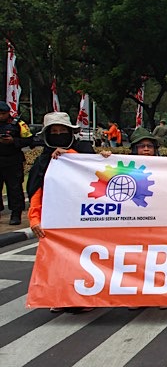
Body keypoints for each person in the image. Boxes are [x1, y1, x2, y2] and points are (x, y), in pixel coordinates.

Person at [27, 112, 96, 314]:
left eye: (62, 131)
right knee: (57, 260)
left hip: (83, 218)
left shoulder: (84, 150)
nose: (58, 135)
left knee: (82, 260)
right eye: (54, 132)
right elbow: (36, 190)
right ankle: (57, 296)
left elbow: (98, 171)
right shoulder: (43, 160)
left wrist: (68, 156)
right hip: (55, 220)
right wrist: (34, 219)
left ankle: (82, 298)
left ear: (71, 132)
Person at [0, 101, 33, 225]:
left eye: (3, 114)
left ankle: (16, 214)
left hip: (13, 161)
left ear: (8, 113)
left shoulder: (19, 124)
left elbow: (30, 140)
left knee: (15, 189)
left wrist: (14, 141)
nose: (0, 116)